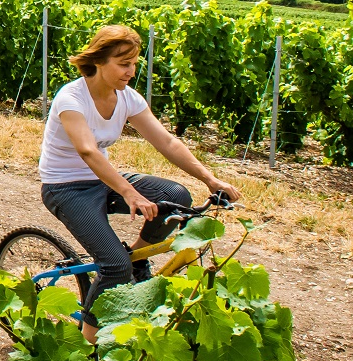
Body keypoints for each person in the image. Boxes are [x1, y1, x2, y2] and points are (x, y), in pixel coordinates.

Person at [38, 24, 240, 334]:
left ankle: (135, 259)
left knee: (177, 198)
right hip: (65, 188)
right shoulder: (72, 98)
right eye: (123, 63)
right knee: (113, 266)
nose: (131, 71)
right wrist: (129, 192)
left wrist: (210, 179)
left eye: (134, 63)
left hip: (102, 180)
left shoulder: (127, 98)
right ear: (100, 61)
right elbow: (89, 151)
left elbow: (167, 142)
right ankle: (85, 347)